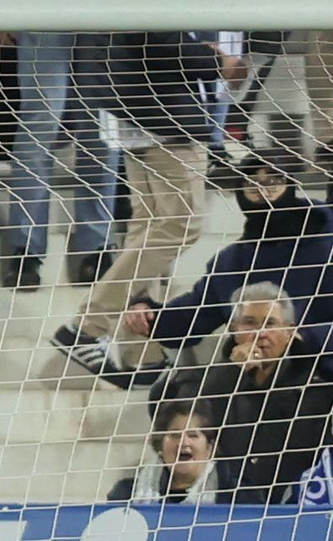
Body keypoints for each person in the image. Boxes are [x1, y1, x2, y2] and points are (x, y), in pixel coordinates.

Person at [52, 32, 245, 373]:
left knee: (148, 227)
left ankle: (141, 353)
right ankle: (87, 327)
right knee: (181, 225)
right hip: (163, 113)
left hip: (133, 110)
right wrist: (217, 61)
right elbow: (161, 40)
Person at [118, 152, 333, 383]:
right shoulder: (233, 262)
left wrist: (303, 340)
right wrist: (148, 314)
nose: (264, 191)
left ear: (290, 185)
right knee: (170, 394)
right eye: (252, 184)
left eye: (273, 181)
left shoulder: (327, 240)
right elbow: (194, 316)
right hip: (257, 374)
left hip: (323, 370)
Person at [149, 282, 333, 503]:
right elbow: (189, 421)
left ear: (290, 331)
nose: (260, 333)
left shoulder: (318, 389)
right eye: (249, 323)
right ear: (233, 329)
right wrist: (232, 371)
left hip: (294, 511)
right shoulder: (202, 381)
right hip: (222, 512)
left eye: (270, 323)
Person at [0, 32, 119, 290]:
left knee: (102, 124)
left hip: (106, 15)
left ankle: (97, 247)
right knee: (40, 120)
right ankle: (26, 250)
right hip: (43, 14)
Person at [106, 402, 224, 503]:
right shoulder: (125, 494)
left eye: (193, 435)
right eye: (175, 435)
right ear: (160, 445)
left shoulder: (231, 494)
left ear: (209, 447)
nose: (183, 442)